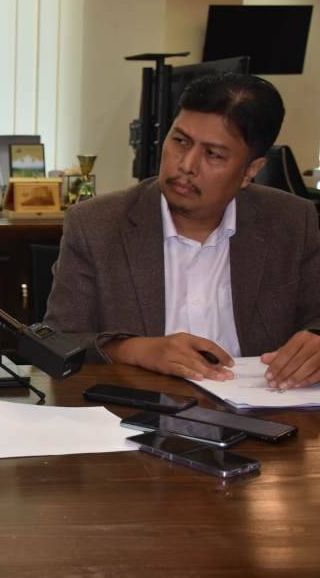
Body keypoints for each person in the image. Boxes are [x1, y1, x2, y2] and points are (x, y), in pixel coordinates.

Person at [46, 73, 320, 388]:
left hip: (265, 417)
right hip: (140, 419)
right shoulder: (97, 224)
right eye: (180, 141)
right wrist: (135, 349)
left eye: (213, 154)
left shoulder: (290, 220)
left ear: (250, 171)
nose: (187, 164)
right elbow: (55, 340)